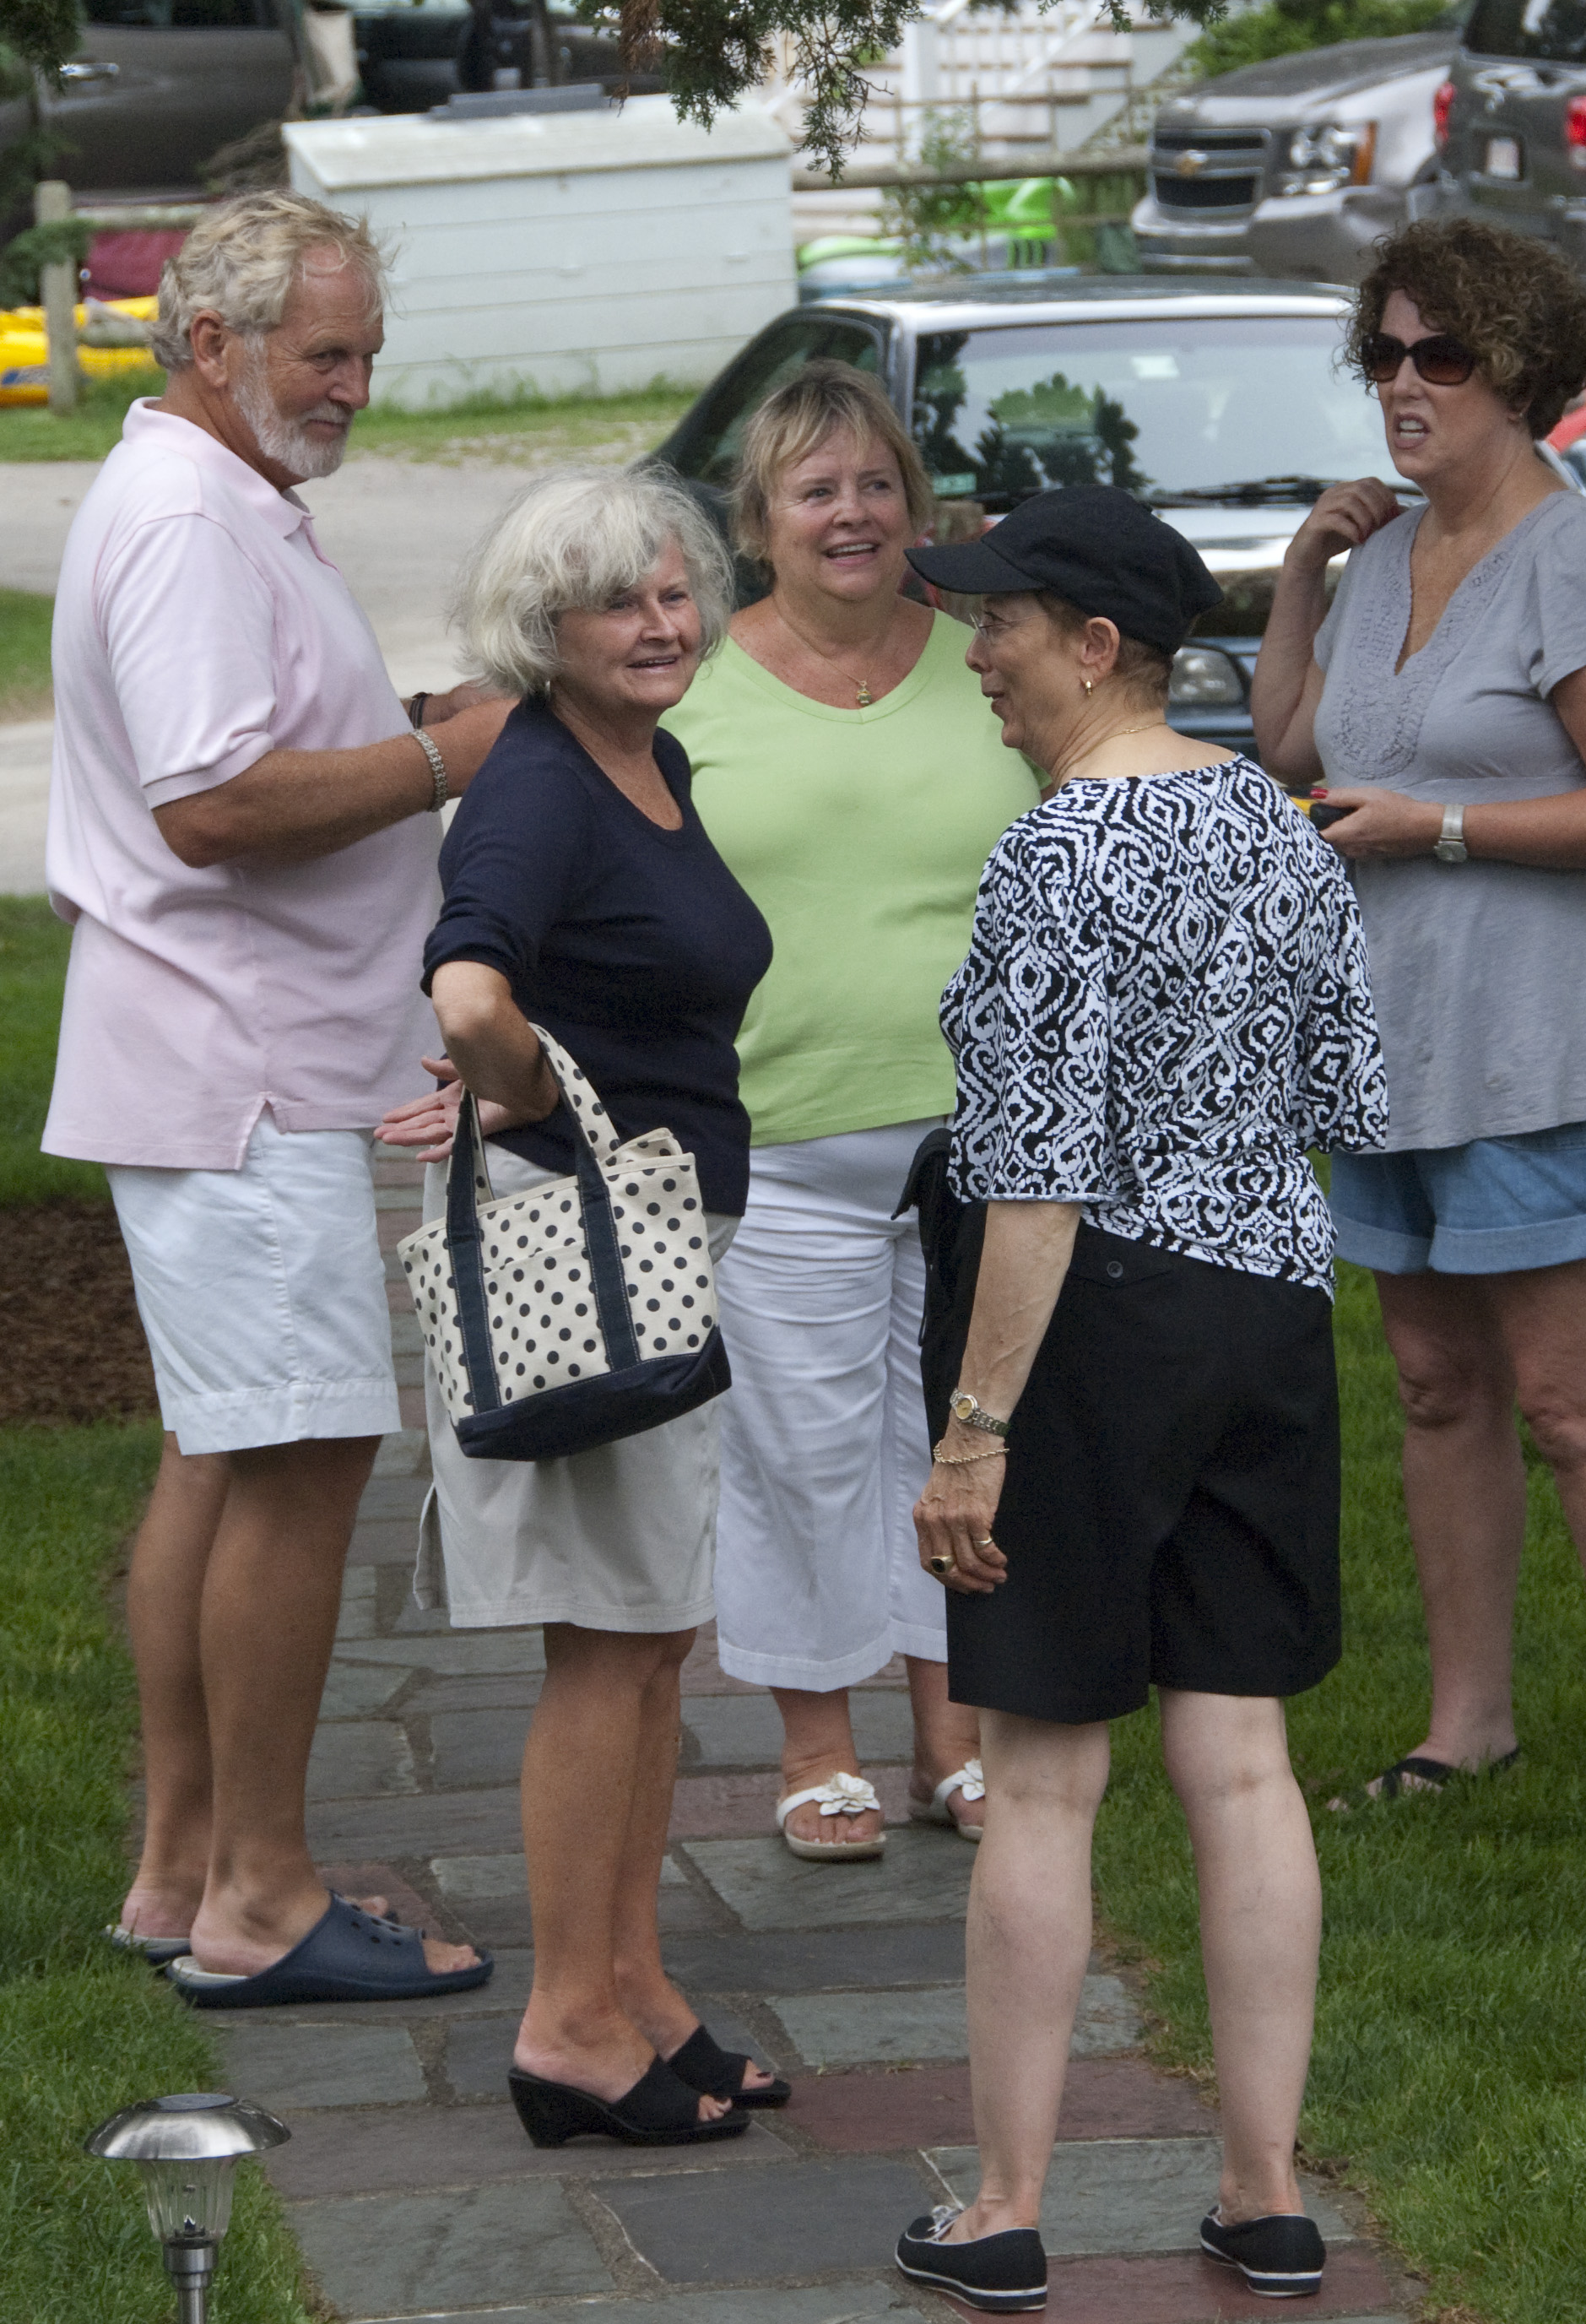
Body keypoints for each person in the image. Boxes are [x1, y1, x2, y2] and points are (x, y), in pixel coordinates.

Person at [888, 485, 1389, 2314]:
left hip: (1089, 1325)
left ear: (1096, 645)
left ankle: (1006, 2206)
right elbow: (1349, 1089)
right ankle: (1268, 2194)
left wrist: (977, 1426)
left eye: (1000, 622)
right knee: (1242, 1758)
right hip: (1267, 1307)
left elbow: (1036, 1176)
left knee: (1040, 1774)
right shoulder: (1273, 821)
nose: (975, 655)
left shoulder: (1056, 854)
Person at [46, 190, 506, 2006]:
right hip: (242, 1070)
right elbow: (212, 804)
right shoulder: (185, 516)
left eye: (371, 352)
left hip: (230, 1060)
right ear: (211, 341)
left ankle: (187, 1869)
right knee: (303, 1460)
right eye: (327, 352)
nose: (357, 386)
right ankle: (260, 1894)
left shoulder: (217, 494)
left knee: (224, 1452)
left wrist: (408, 728)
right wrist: (442, 756)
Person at [1249, 216, 1586, 1846]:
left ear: (1517, 373)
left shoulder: (1574, 560)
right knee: (1438, 1387)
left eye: (1438, 355)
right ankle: (1469, 1726)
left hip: (1545, 1045)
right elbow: (1293, 743)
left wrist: (1437, 828)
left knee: (1577, 1405)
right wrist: (1303, 572)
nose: (1403, 383)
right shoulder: (1386, 555)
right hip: (1397, 1047)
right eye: (1382, 354)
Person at [376, 469, 789, 2141]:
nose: (663, 622)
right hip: (591, 1251)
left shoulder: (648, 760)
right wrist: (524, 1086)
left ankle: (636, 1985)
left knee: (650, 1638)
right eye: (621, 600)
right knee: (608, 1646)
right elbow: (469, 982)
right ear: (544, 629)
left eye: (677, 591)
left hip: (664, 1236)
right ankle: (567, 2026)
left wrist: (536, 1067)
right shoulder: (539, 782)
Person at [659, 362, 1037, 1860]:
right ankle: (819, 1746)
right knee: (803, 1456)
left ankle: (954, 1738)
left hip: (991, 1146)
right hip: (778, 1138)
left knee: (962, 1440)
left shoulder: (989, 664)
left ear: (916, 506)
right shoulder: (693, 683)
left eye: (878, 483)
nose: (852, 513)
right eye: (816, 489)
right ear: (760, 520)